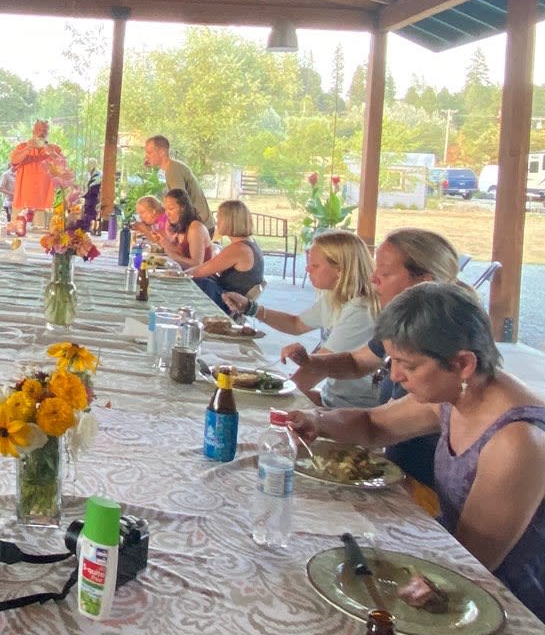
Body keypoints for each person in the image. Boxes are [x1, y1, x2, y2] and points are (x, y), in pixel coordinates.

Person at [288, 284, 545, 621]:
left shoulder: (517, 442)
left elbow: (468, 561)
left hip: (500, 605)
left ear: (463, 363)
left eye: (408, 366)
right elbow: (372, 424)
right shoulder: (456, 395)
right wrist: (316, 421)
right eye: (392, 361)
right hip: (449, 565)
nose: (395, 375)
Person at [286, 227, 459, 483]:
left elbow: (378, 424)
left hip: (424, 487)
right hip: (393, 466)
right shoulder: (403, 325)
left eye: (385, 272)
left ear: (425, 281)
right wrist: (313, 364)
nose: (373, 277)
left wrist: (319, 417)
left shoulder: (444, 340)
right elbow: (358, 364)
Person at [228, 228, 379, 407]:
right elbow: (297, 324)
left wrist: (271, 394)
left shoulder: (360, 311)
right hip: (332, 398)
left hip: (353, 407)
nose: (307, 269)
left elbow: (315, 370)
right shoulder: (335, 297)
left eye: (314, 265)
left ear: (340, 270)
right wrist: (250, 308)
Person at [178, 198, 266, 314]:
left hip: (227, 303)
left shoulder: (239, 249)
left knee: (187, 283)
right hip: (229, 298)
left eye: (219, 218)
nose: (216, 222)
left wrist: (176, 275)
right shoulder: (250, 244)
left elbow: (199, 271)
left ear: (230, 221)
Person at [143, 134, 211, 227]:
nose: (146, 157)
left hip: (198, 226)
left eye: (149, 152)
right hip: (198, 223)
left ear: (162, 152)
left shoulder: (173, 170)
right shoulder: (173, 168)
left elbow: (177, 203)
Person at [7, 120, 71, 218]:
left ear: (48, 133)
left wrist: (51, 152)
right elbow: (14, 160)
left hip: (46, 205)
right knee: (18, 232)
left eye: (45, 131)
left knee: (45, 233)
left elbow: (64, 168)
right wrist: (28, 148)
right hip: (22, 204)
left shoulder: (55, 149)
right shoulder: (22, 146)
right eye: (39, 130)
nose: (42, 133)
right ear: (33, 131)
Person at [159, 187, 213, 267]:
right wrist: (167, 245)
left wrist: (171, 255)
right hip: (186, 273)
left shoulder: (195, 228)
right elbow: (183, 254)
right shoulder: (180, 225)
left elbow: (197, 264)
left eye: (171, 208)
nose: (167, 214)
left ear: (183, 208)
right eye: (165, 209)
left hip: (201, 277)